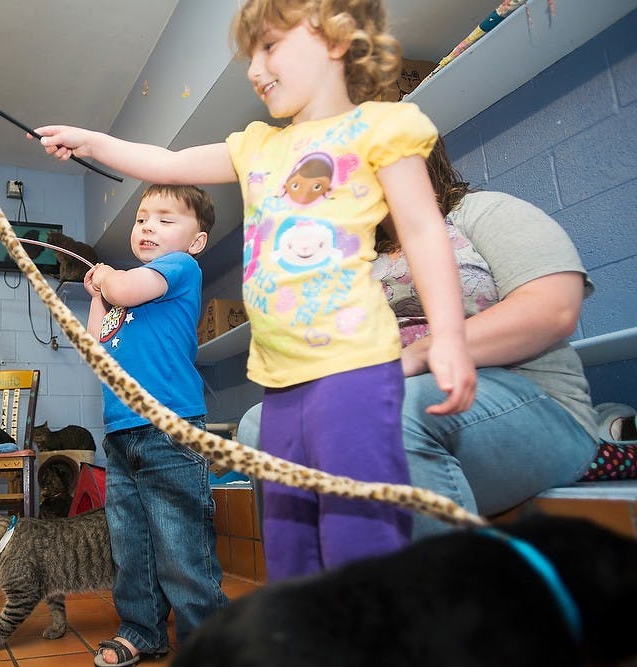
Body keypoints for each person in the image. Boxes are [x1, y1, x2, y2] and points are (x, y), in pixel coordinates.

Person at [37, 0, 476, 585]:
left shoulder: (383, 129)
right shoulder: (257, 148)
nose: (253, 67)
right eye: (250, 55)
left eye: (269, 47)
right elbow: (167, 159)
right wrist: (92, 141)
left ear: (336, 39)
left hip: (356, 368)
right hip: (279, 382)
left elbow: (423, 230)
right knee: (290, 542)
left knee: (359, 529)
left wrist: (447, 333)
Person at [373, 137, 600, 538]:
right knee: (264, 424)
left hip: (534, 402)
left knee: (392, 410)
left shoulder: (481, 212)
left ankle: (448, 597)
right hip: (392, 415)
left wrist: (421, 353)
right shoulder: (357, 260)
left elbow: (553, 309)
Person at [84, 184, 228, 667]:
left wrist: (107, 278)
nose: (148, 226)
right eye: (143, 218)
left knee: (180, 545)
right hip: (123, 432)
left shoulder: (177, 269)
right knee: (133, 545)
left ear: (195, 241)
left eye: (166, 220)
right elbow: (95, 345)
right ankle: (141, 631)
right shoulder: (127, 289)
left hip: (170, 430)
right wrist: (96, 297)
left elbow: (124, 287)